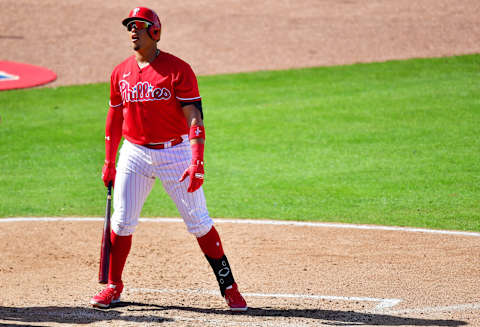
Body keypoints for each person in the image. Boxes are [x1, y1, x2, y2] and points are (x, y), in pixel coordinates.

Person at [90, 7, 247, 311]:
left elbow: (194, 117)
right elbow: (114, 117)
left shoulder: (178, 70)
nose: (133, 31)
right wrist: (109, 162)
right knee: (121, 223)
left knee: (199, 222)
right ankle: (114, 286)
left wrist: (196, 160)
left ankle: (229, 287)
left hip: (175, 153)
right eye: (130, 26)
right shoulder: (120, 72)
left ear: (155, 32)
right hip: (134, 153)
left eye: (139, 26)